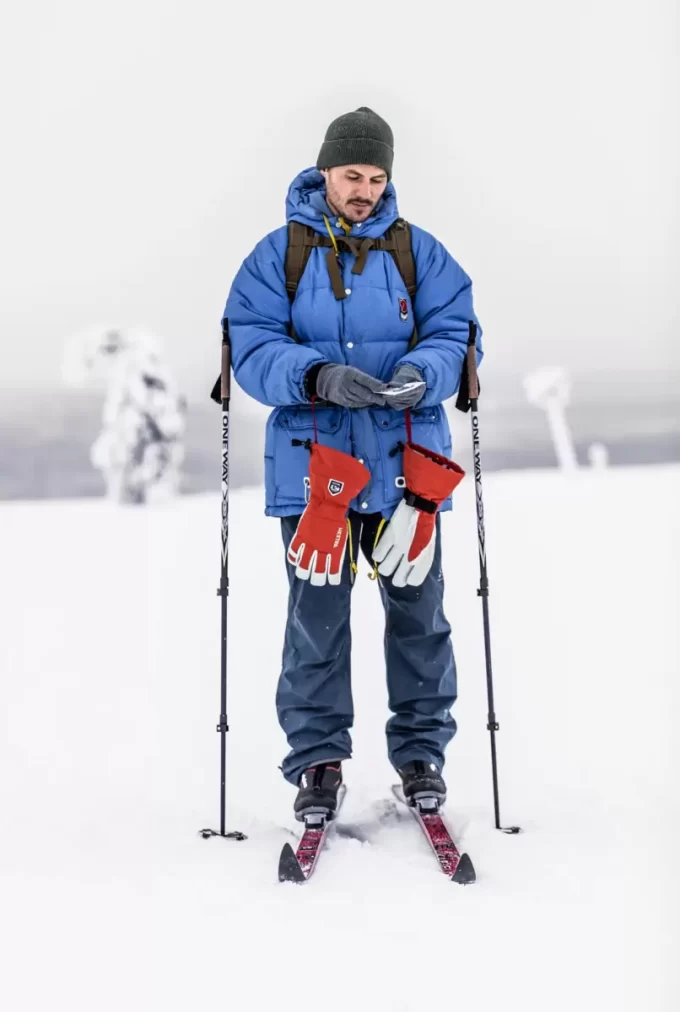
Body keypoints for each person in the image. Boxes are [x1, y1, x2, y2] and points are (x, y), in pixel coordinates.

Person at [221, 107, 482, 820]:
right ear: (325, 173)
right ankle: (318, 765)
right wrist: (316, 376)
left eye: (375, 176)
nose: (363, 189)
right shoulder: (277, 256)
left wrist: (424, 374)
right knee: (317, 623)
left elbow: (456, 331)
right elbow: (250, 343)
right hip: (315, 476)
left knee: (420, 618)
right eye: (350, 175)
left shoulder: (420, 252)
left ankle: (422, 757)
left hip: (408, 472)